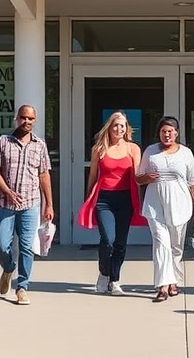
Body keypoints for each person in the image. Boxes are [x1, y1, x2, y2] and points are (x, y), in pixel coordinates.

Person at [0, 104, 55, 306]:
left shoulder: (40, 145)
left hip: (31, 203)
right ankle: (8, 268)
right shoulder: (3, 141)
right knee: (2, 245)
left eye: (31, 119)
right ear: (16, 118)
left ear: (35, 121)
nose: (27, 122)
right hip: (6, 204)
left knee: (27, 247)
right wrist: (7, 191)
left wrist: (49, 205)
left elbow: (44, 175)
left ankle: (22, 287)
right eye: (23, 118)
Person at [137, 116, 194, 302]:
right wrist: (147, 178)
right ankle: (163, 286)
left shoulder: (186, 153)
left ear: (176, 133)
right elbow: (138, 177)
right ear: (159, 133)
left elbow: (192, 181)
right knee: (161, 244)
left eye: (170, 131)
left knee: (175, 246)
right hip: (154, 204)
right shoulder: (150, 152)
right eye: (163, 131)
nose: (167, 135)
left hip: (180, 203)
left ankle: (174, 280)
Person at [78, 111, 146, 295]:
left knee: (120, 242)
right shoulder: (99, 149)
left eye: (122, 125)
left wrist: (142, 198)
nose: (119, 129)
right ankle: (104, 273)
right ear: (109, 127)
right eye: (115, 125)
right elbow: (93, 175)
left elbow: (138, 176)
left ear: (126, 129)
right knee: (108, 239)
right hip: (104, 199)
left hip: (125, 199)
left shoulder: (133, 149)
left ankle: (114, 280)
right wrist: (88, 200)